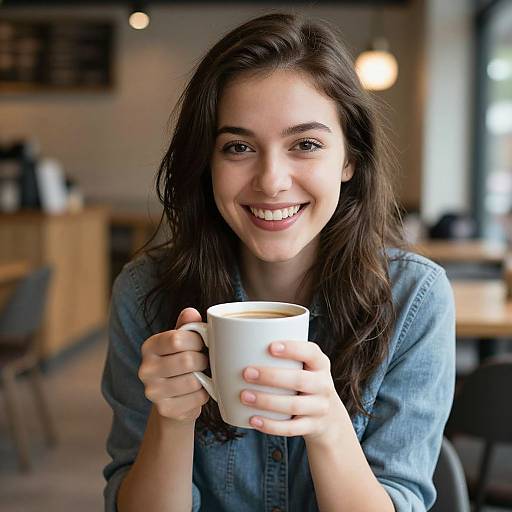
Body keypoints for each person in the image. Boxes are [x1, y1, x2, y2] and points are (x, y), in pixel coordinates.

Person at [102, 12, 455, 512]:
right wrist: (172, 419)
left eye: (306, 144)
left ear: (349, 158)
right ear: (207, 163)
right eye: (239, 147)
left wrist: (330, 427)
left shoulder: (415, 300)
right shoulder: (144, 292)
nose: (271, 181)